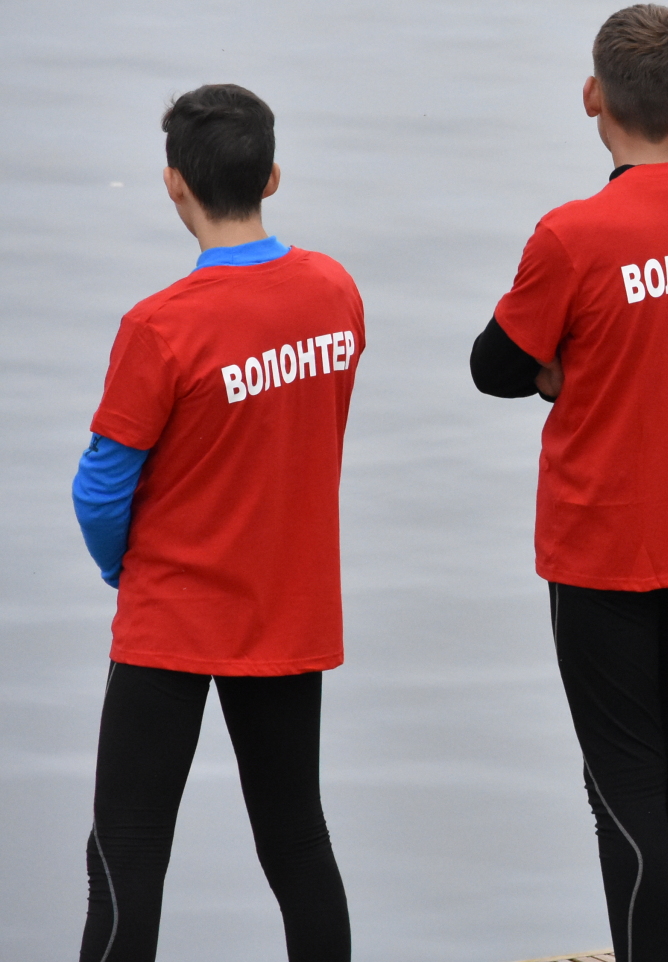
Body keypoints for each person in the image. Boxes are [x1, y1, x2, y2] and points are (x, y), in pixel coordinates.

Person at [470, 5, 668, 962]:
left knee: (625, 785)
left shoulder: (572, 236)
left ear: (592, 96)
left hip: (604, 543)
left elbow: (492, 364)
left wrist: (556, 371)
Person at [72, 84, 362, 962]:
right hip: (288, 604)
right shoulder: (333, 292)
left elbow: (100, 491)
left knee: (126, 851)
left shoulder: (161, 327)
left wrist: (123, 567)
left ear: (174, 183)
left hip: (173, 614)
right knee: (297, 840)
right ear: (271, 176)